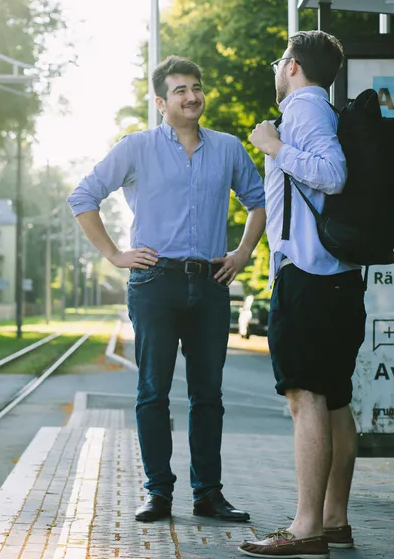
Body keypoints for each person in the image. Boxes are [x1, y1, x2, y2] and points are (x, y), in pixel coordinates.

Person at [67, 55, 266, 524]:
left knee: (209, 396)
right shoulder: (136, 147)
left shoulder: (229, 148)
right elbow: (82, 197)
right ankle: (158, 491)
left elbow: (260, 203)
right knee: (153, 391)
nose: (192, 96)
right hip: (155, 283)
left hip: (212, 283)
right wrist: (116, 254)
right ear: (161, 102)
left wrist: (242, 254)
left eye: (196, 87)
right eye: (180, 90)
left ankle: (208, 494)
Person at [239, 30, 366, 559]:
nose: (275, 67)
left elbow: (333, 176)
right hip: (335, 278)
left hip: (310, 278)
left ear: (293, 66)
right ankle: (333, 520)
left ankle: (306, 527)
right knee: (334, 401)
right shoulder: (320, 110)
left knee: (305, 399)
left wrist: (275, 147)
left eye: (278, 60)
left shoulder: (305, 110)